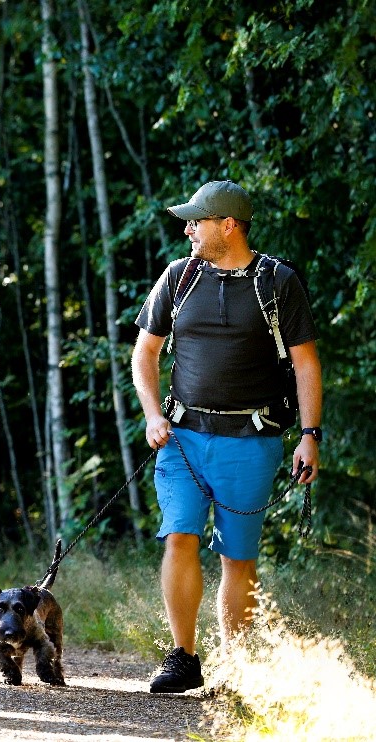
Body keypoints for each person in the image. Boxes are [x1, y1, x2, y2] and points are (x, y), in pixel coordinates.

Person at [131, 180, 321, 693]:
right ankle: (183, 656)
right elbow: (143, 355)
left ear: (228, 225)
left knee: (237, 557)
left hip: (252, 439)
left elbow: (305, 363)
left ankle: (235, 671)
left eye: (197, 220)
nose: (188, 229)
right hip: (182, 437)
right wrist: (153, 415)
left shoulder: (276, 282)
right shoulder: (179, 277)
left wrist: (310, 435)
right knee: (178, 535)